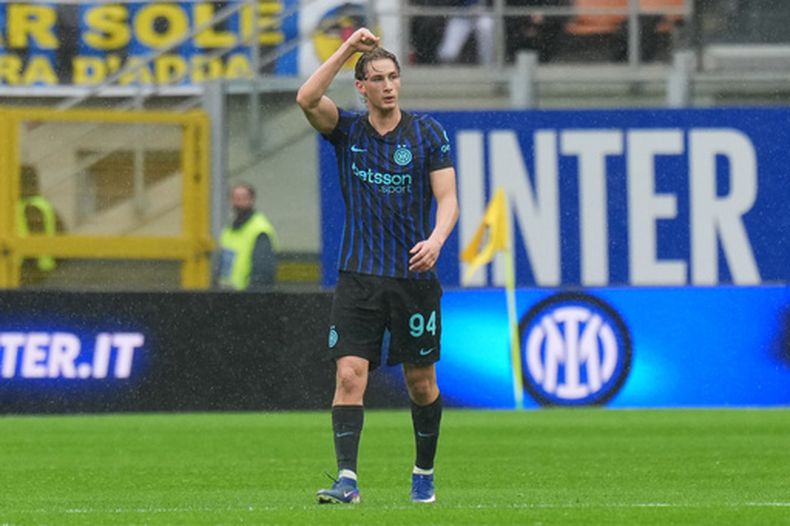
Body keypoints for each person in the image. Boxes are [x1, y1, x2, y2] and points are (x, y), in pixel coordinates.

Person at [296, 28, 459, 505]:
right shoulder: (346, 131)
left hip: (413, 278)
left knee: (421, 381)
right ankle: (347, 479)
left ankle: (423, 472)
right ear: (361, 87)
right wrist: (348, 48)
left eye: (394, 77)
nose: (388, 86)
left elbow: (448, 199)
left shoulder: (427, 132)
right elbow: (306, 97)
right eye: (378, 79)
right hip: (359, 277)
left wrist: (436, 239)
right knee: (349, 375)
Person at [217, 182, 279, 291]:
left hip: (246, 297)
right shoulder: (228, 230)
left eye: (243, 198)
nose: (239, 203)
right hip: (228, 294)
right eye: (235, 198)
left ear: (252, 200)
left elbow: (263, 272)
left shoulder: (260, 230)